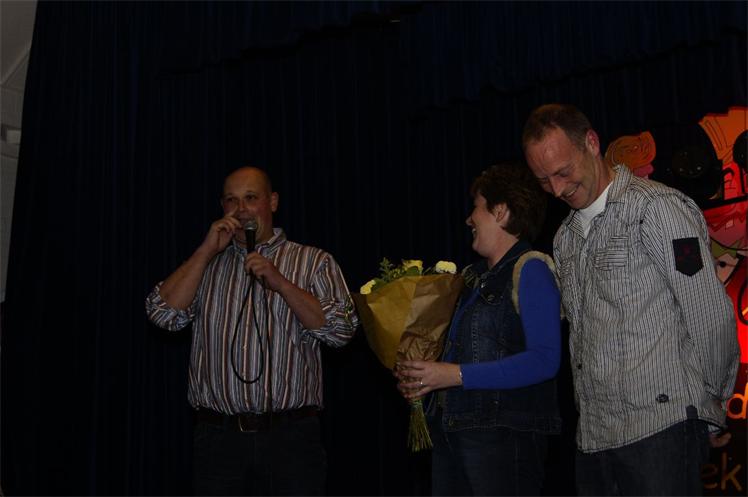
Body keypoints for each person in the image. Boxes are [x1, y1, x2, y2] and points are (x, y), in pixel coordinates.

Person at [522, 103, 740, 496]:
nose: (556, 189)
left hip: (662, 429)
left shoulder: (657, 209)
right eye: (543, 180)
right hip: (594, 440)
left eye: (563, 172)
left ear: (591, 143)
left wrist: (712, 404)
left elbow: (709, 313)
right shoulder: (564, 239)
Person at [145, 166, 358, 496]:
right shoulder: (206, 266)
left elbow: (342, 330)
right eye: (231, 200)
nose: (241, 209)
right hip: (218, 441)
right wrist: (205, 251)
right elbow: (162, 314)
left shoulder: (314, 261)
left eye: (250, 198)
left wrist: (281, 283)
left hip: (290, 440)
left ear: (272, 202)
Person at [397, 163, 563, 496]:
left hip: (502, 439)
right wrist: (423, 378)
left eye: (476, 207)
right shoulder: (471, 279)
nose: (469, 219)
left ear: (500, 212)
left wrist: (453, 375)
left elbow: (545, 360)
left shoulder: (531, 268)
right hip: (454, 434)